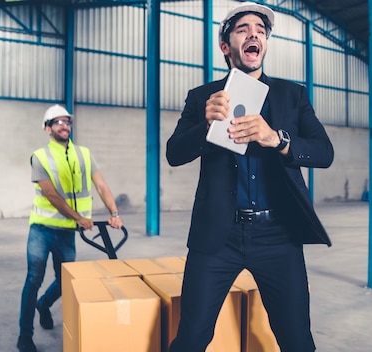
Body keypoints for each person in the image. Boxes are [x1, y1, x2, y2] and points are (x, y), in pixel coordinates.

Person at [165, 3, 334, 352]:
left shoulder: (292, 95)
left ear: (265, 44)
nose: (254, 33)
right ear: (226, 46)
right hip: (217, 236)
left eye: (260, 29)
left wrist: (278, 139)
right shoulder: (203, 98)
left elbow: (323, 152)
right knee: (191, 338)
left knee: (297, 340)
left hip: (277, 236)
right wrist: (205, 125)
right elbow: (174, 152)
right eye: (242, 29)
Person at [16, 104, 123, 352]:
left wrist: (114, 213)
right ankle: (25, 335)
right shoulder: (40, 156)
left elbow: (102, 186)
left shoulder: (84, 153)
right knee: (34, 278)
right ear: (47, 128)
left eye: (67, 122)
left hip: (67, 232)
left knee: (66, 281)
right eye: (58, 122)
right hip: (42, 229)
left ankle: (44, 304)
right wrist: (79, 218)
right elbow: (51, 194)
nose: (65, 125)